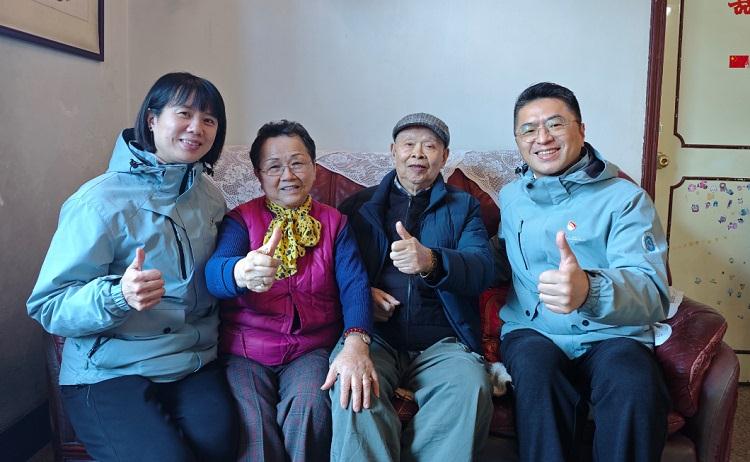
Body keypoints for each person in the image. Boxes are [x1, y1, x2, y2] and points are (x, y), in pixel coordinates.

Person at [27, 72, 237, 461]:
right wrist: (118, 295)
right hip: (108, 370)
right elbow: (48, 306)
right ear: (152, 119)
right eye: (184, 113)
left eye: (209, 119)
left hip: (190, 361)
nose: (197, 128)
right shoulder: (97, 202)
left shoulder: (209, 198)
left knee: (221, 446)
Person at [497, 82, 671, 462]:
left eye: (555, 124)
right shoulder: (510, 198)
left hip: (613, 334)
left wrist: (589, 290)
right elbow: (493, 259)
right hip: (533, 331)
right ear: (518, 141)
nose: (542, 138)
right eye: (529, 129)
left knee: (634, 384)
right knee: (537, 376)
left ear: (581, 129)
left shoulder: (626, 199)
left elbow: (652, 291)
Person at [204, 120, 376, 462]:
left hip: (310, 349)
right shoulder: (240, 220)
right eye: (274, 167)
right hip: (246, 350)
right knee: (252, 423)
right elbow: (214, 272)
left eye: (297, 163)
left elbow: (355, 285)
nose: (288, 175)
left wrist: (357, 341)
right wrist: (241, 271)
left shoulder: (335, 223)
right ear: (258, 175)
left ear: (314, 167)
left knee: (310, 408)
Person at [332, 113, 495, 461]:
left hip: (442, 342)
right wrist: (362, 295)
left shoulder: (464, 207)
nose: (418, 153)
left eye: (430, 146)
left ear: (444, 156)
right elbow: (331, 271)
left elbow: (483, 269)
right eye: (409, 144)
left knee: (470, 385)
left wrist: (431, 261)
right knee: (353, 383)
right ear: (393, 151)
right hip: (374, 337)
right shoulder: (358, 207)